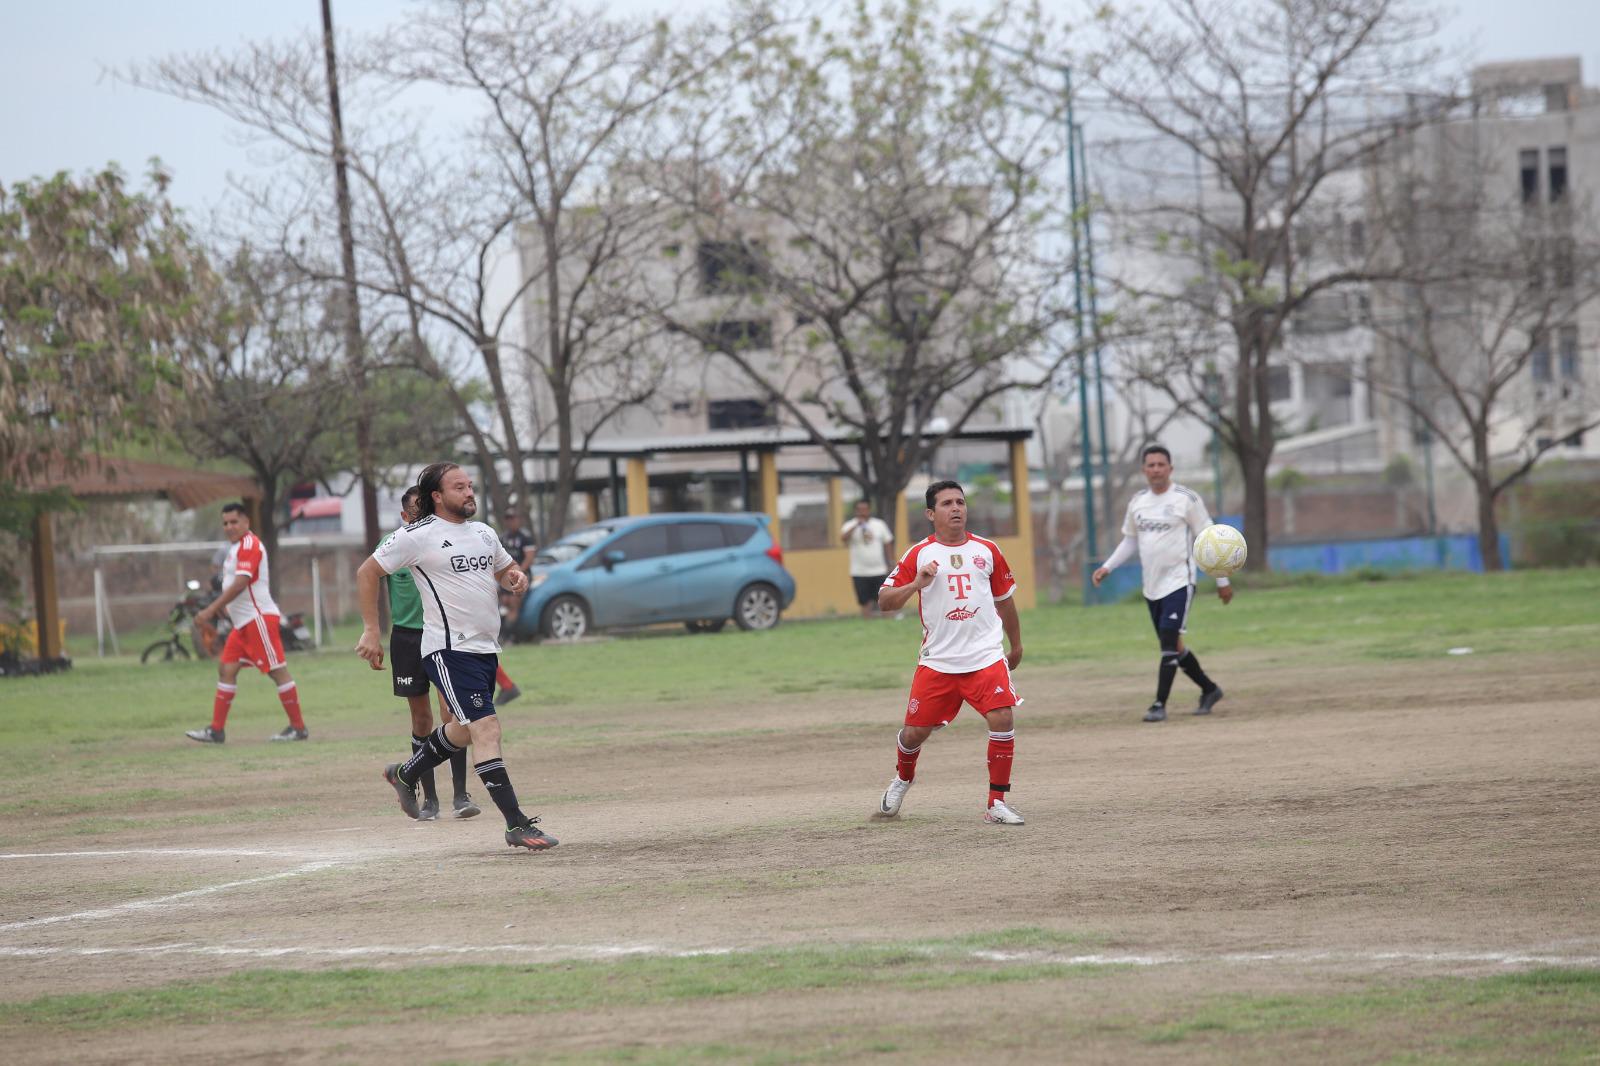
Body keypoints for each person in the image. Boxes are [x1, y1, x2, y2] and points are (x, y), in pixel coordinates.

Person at [355, 462, 557, 851]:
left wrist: (514, 577)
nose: (469, 493)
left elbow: (504, 568)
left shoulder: (483, 532)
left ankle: (405, 772)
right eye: (459, 487)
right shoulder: (416, 536)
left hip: (485, 648)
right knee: (487, 729)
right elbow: (367, 572)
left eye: (470, 485)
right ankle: (516, 824)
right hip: (448, 649)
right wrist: (371, 629)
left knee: (463, 731)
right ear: (437, 495)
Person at [874, 480, 1026, 826]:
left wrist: (1015, 644)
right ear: (930, 514)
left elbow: (1006, 601)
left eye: (960, 502)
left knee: (1002, 716)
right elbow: (884, 602)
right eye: (946, 503)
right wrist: (916, 584)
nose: (956, 508)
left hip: (985, 656)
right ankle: (903, 778)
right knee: (914, 733)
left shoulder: (987, 550)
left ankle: (996, 803)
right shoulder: (919, 554)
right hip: (938, 662)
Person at [1092, 445, 1233, 723]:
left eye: (1161, 464)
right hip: (1152, 586)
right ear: (1144, 470)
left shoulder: (1186, 499)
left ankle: (1159, 704)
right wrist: (1108, 566)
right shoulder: (1138, 502)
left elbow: (1210, 541)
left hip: (1180, 581)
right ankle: (1209, 689)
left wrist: (1222, 581)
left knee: (1168, 641)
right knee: (1175, 646)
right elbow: (1130, 539)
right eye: (1151, 465)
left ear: (1170, 468)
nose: (1156, 469)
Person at [381, 487, 482, 821]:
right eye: (414, 511)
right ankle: (428, 800)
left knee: (452, 714)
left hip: (440, 633)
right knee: (421, 719)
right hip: (406, 638)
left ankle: (461, 795)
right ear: (403, 515)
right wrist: (371, 630)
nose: (421, 516)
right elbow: (371, 579)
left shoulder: (440, 541)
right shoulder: (393, 544)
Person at [185, 502, 308, 744]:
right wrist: (224, 613)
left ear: (246, 523)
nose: (229, 527)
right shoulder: (235, 548)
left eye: (234, 522)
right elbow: (234, 587)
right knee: (226, 669)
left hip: (258, 619)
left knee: (277, 670)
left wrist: (211, 609)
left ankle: (298, 728)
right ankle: (216, 731)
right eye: (225, 523)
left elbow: (241, 583)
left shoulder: (250, 545)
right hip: (242, 625)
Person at [491, 508, 535, 701]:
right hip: (506, 577)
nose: (510, 521)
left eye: (513, 517)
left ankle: (508, 636)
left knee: (514, 603)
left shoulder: (525, 536)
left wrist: (518, 572)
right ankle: (506, 634)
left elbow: (529, 557)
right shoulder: (502, 538)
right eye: (507, 518)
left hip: (517, 575)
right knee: (506, 602)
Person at [841, 499, 895, 619]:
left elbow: (887, 543)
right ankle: (868, 624)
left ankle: (889, 623)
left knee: (884, 599)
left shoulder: (879, 524)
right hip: (859, 571)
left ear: (869, 510)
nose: (862, 512)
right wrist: (857, 525)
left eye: (865, 509)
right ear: (855, 511)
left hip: (879, 570)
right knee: (865, 602)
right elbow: (843, 538)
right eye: (860, 510)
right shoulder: (850, 525)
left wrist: (891, 561)